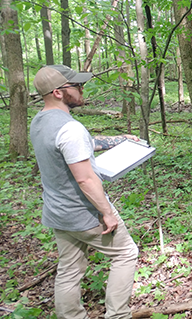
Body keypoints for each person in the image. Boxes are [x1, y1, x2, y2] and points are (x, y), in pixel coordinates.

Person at [30, 65, 139, 319]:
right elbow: (86, 179)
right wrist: (107, 213)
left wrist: (120, 139)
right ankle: (118, 315)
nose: (82, 90)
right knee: (126, 254)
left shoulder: (40, 122)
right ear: (58, 92)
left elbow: (81, 146)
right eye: (76, 86)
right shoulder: (71, 129)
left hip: (58, 213)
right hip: (85, 215)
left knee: (69, 269)